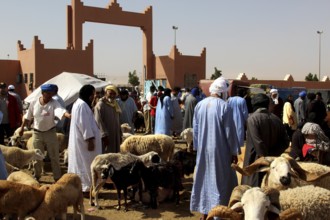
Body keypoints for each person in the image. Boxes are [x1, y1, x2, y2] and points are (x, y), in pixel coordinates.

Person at [190, 77, 240, 220]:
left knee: (204, 180)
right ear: (223, 91)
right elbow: (230, 132)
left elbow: (196, 130)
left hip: (203, 151)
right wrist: (234, 151)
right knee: (220, 182)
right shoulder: (225, 107)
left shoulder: (200, 105)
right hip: (220, 151)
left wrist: (197, 147)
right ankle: (217, 214)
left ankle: (205, 213)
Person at [19, 84, 70, 181]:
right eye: (48, 93)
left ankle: (57, 177)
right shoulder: (34, 102)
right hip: (37, 133)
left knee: (54, 156)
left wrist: (67, 115)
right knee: (37, 156)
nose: (50, 96)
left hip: (50, 133)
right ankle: (37, 175)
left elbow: (60, 110)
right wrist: (22, 128)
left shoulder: (54, 103)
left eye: (51, 93)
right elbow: (27, 116)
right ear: (43, 93)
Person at [241, 93, 290, 187]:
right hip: (273, 164)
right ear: (267, 104)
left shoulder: (252, 119)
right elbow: (286, 142)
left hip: (255, 163)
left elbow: (258, 143)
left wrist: (265, 157)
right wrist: (273, 155)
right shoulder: (276, 119)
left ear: (254, 105)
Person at [67, 84, 102, 193]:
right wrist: (90, 140)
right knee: (86, 165)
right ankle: (86, 188)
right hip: (85, 143)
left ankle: (84, 187)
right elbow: (84, 124)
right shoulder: (81, 105)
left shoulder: (79, 104)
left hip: (82, 142)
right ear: (88, 95)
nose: (93, 97)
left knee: (82, 163)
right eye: (92, 94)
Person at [94, 85, 122, 153]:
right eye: (110, 93)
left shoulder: (115, 105)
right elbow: (98, 121)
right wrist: (104, 135)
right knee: (107, 156)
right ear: (106, 93)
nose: (112, 95)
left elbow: (118, 121)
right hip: (107, 137)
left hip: (116, 135)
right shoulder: (101, 105)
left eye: (114, 94)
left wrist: (120, 133)